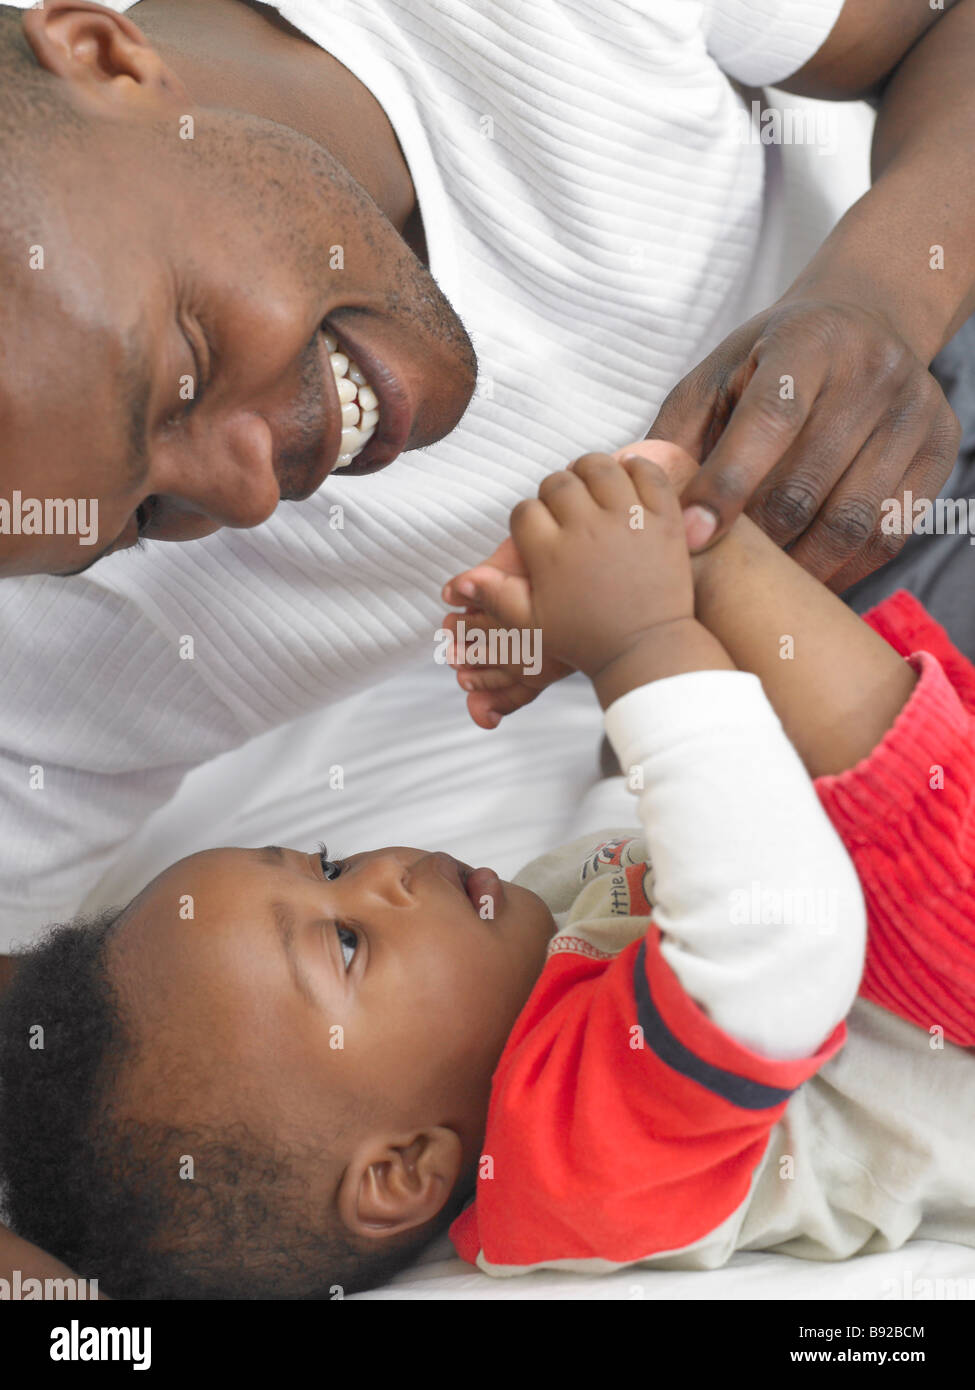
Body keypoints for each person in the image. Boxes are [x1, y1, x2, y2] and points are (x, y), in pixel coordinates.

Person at [3, 0, 975, 951]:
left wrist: (881, 299)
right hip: (845, 737)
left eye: (184, 371)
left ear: (105, 54)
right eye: (142, 516)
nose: (248, 492)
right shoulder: (45, 668)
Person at [2, 442, 973, 1297]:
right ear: (401, 1170)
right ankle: (707, 548)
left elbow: (644, 828)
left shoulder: (517, 959)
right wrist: (642, 646)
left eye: (329, 862)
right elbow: (780, 940)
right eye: (344, 941)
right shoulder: (565, 1157)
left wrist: (576, 649)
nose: (384, 873)